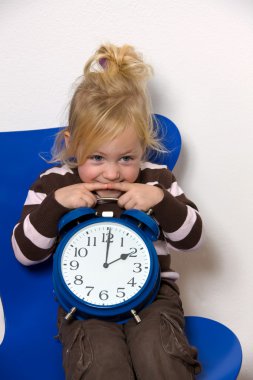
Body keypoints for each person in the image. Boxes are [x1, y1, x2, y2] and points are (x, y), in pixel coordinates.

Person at [12, 43, 202, 379]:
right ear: (73, 143)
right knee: (100, 364)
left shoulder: (155, 181)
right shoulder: (53, 185)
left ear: (142, 146)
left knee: (160, 355)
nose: (112, 174)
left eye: (126, 158)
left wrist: (160, 201)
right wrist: (56, 205)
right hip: (83, 308)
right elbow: (25, 254)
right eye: (97, 158)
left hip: (154, 298)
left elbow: (192, 239)